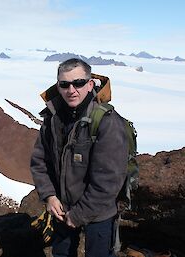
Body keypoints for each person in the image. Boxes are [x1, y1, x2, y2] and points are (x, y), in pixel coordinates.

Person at [30, 58, 128, 257]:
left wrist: (79, 214)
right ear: (58, 86)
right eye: (64, 84)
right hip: (62, 210)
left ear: (90, 84)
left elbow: (108, 180)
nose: (71, 90)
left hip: (98, 214)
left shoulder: (107, 122)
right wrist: (49, 196)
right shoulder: (53, 119)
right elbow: (40, 161)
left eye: (79, 83)